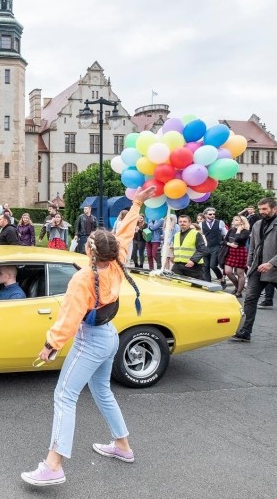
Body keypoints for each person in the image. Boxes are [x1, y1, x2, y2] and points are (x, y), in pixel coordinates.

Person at [20, 186, 155, 487]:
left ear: (90, 251)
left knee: (64, 396)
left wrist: (50, 345)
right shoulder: (118, 259)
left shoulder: (83, 277)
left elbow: (69, 316)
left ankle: (53, 465)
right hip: (109, 337)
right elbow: (127, 234)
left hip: (92, 341)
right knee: (102, 392)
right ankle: (122, 446)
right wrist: (137, 203)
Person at [231, 198, 277, 343]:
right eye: (260, 209)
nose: (261, 212)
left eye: (265, 209)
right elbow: (253, 245)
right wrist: (250, 263)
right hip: (258, 268)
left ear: (275, 208)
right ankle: (246, 331)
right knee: (250, 298)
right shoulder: (257, 224)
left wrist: (271, 264)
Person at [224, 215, 250, 298]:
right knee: (228, 271)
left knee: (240, 274)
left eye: (236, 220)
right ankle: (237, 286)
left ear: (242, 222)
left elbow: (238, 239)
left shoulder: (246, 231)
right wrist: (229, 244)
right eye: (234, 219)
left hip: (240, 252)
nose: (234, 221)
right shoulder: (231, 229)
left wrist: (238, 230)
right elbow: (224, 240)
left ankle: (239, 292)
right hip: (230, 252)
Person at [171, 214, 205, 279]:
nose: (182, 223)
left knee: (195, 286)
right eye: (180, 221)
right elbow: (177, 249)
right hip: (178, 265)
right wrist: (173, 257)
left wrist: (193, 260)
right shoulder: (176, 235)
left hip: (193, 266)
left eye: (184, 221)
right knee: (175, 284)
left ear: (189, 223)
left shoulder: (195, 234)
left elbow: (201, 249)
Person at [200, 208, 227, 286]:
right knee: (206, 267)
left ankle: (221, 279)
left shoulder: (220, 222)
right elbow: (201, 235)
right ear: (205, 215)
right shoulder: (201, 224)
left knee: (213, 266)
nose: (212, 215)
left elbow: (224, 234)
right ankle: (208, 284)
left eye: (213, 214)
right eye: (210, 214)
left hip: (216, 246)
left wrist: (224, 244)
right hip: (206, 247)